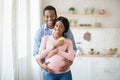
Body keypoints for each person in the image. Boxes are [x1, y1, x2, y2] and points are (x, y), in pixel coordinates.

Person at [33, 5, 76, 71]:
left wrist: (69, 63)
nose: (50, 18)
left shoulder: (66, 30)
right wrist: (42, 65)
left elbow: (74, 49)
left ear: (56, 16)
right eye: (47, 16)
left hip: (64, 71)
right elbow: (36, 54)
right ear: (44, 18)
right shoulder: (39, 32)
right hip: (48, 71)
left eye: (52, 16)